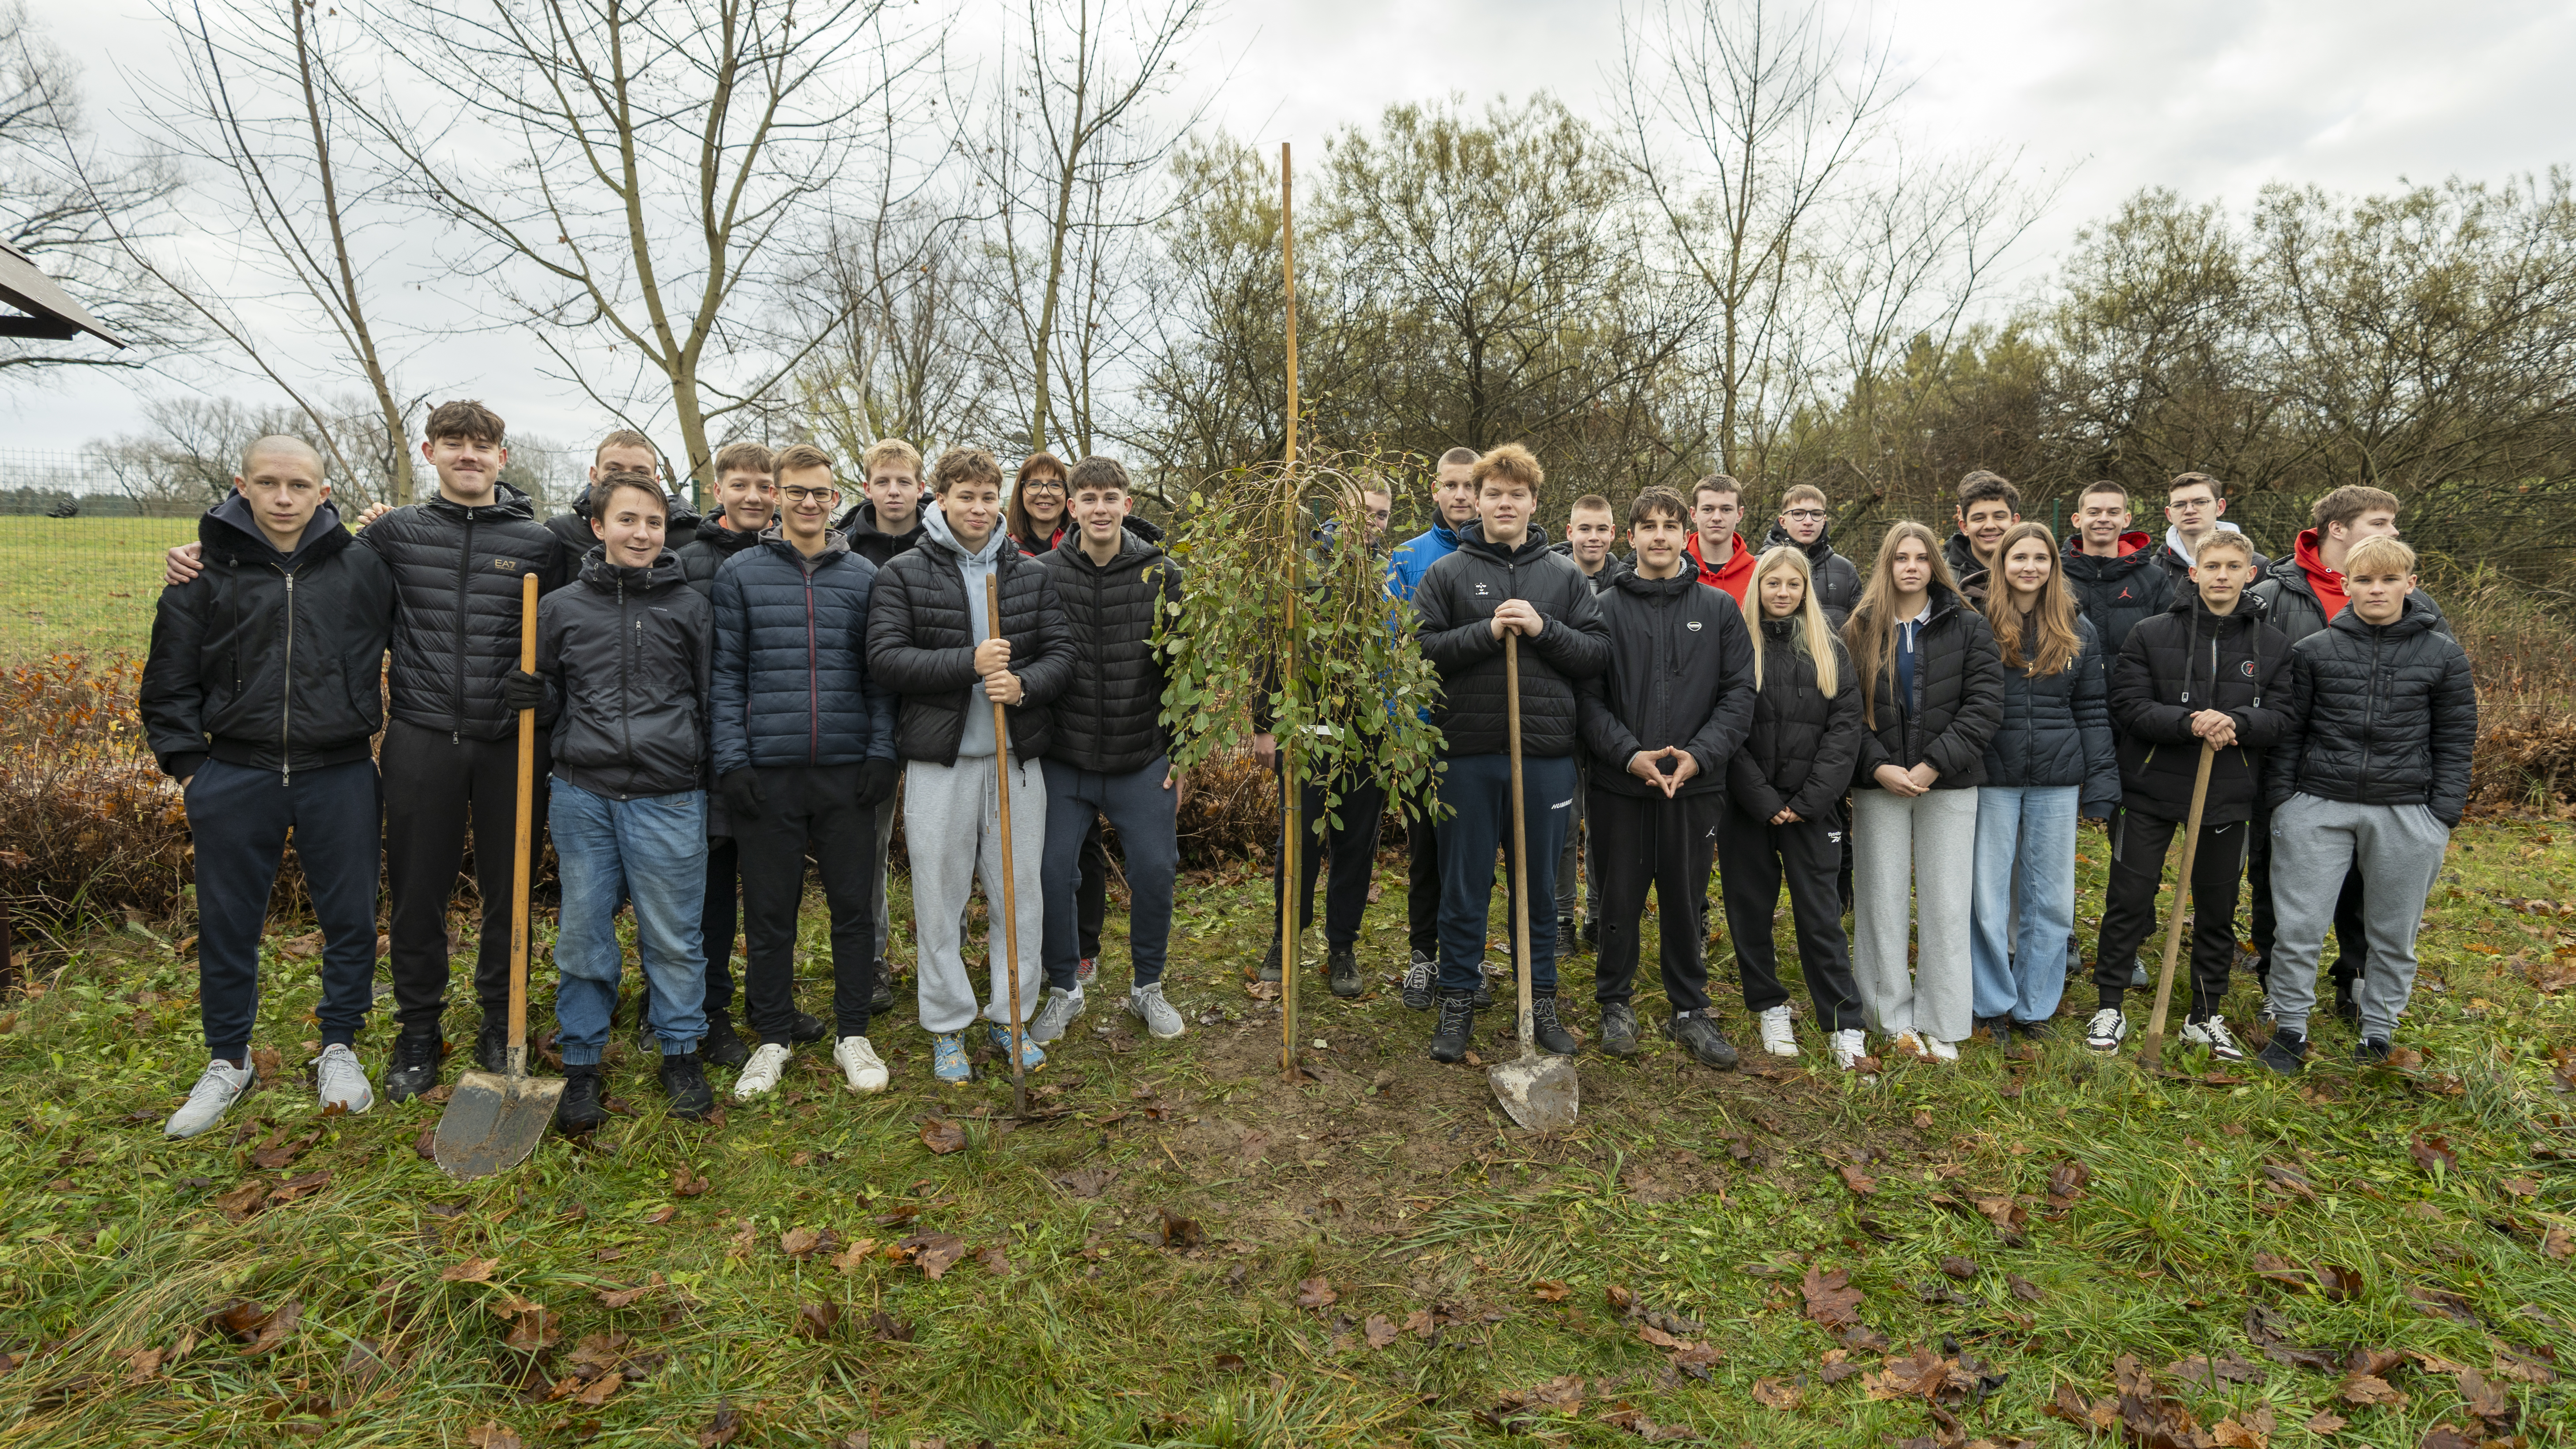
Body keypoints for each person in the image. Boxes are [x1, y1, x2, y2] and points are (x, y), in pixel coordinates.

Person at [165, 402, 570, 1100]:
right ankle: (419, 1031)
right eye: (454, 443)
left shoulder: (540, 544)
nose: (468, 455)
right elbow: (298, 555)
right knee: (418, 896)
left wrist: (551, 698)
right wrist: (204, 551)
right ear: (430, 451)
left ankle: (500, 1020)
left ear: (502, 457)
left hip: (511, 742)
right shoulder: (392, 535)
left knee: (511, 895)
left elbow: (570, 640)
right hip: (419, 737)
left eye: (483, 445)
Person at [142, 437, 396, 1137]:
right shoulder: (202, 573)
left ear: (324, 490)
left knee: (349, 919)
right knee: (228, 925)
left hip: (339, 770)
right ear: (241, 485)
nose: (285, 498)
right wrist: (192, 768)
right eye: (269, 483)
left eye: (299, 485)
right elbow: (168, 679)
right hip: (235, 772)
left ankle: (339, 1046)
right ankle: (229, 1059)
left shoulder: (364, 566)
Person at [868, 446, 1073, 1083]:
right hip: (941, 763)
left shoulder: (1032, 575)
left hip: (1014, 763)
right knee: (940, 897)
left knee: (1020, 897)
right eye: (966, 497)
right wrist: (970, 663)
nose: (979, 509)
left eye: (989, 497)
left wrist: (1025, 686)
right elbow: (885, 660)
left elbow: (1063, 654)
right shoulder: (904, 573)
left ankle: (1011, 1015)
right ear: (940, 498)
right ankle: (948, 1025)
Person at [709, 444, 900, 1100]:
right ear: (778, 497)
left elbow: (879, 679)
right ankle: (771, 1038)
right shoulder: (740, 575)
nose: (810, 503)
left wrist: (882, 752)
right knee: (769, 913)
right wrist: (732, 760)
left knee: (852, 908)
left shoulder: (864, 578)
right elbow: (726, 676)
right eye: (797, 492)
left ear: (835, 495)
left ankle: (853, 1032)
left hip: (848, 772)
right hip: (768, 773)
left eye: (821, 492)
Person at [1412, 443, 1612, 1063]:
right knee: (1464, 885)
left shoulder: (1565, 578)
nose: (1504, 503)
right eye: (1493, 493)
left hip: (1545, 755)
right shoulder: (1445, 574)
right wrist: (1488, 631)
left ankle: (1541, 998)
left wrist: (1543, 628)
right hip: (1467, 756)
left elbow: (1597, 653)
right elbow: (1419, 650)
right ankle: (1458, 997)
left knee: (1539, 892)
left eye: (1516, 494)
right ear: (1477, 499)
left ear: (1533, 501)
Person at [539, 467, 718, 1127]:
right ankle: (582, 1058)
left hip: (669, 793)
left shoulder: (690, 606)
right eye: (627, 519)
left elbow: (709, 698)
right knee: (584, 932)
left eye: (652, 521)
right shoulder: (559, 606)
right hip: (582, 791)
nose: (640, 532)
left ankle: (679, 1047)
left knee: (672, 934)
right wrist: (536, 697)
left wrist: (711, 779)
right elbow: (552, 693)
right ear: (599, 525)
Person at [2256, 537, 2475, 1073]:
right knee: (2299, 926)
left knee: (2392, 933)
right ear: (2346, 585)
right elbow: (2290, 734)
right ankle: (2289, 1027)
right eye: (2364, 580)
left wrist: (2439, 815)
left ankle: (2377, 1033)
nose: (2376, 590)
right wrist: (2286, 804)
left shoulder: (2443, 655)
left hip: (2405, 811)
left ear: (2410, 584)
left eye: (2388, 580)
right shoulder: (2313, 650)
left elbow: (2456, 737)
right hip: (2317, 807)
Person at [2084, 531, 2292, 1062]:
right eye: (2212, 566)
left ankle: (2205, 1014)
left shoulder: (2272, 645)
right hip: (2151, 788)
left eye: (2233, 566)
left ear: (2251, 574)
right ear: (2192, 573)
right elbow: (2127, 704)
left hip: (2227, 794)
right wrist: (2188, 720)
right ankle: (2111, 1003)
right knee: (2129, 897)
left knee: (2217, 906)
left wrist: (2237, 721)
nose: (2222, 575)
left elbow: (2284, 716)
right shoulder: (2150, 633)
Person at [2244, 485, 2448, 1022]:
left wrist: (2440, 807)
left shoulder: (2422, 611)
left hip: (2395, 788)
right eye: (2380, 522)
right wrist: (2282, 792)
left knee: (2371, 889)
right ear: (2339, 530)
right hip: (2301, 779)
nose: (2393, 532)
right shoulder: (2274, 592)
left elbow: (2448, 712)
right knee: (2278, 883)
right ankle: (2278, 984)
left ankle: (2356, 982)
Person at [1576, 486, 1755, 1065]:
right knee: (1617, 898)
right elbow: (1589, 700)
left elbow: (1738, 696)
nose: (1659, 535)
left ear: (1687, 535)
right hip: (1620, 784)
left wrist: (1698, 756)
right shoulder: (1601, 608)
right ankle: (1615, 1001)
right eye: (1647, 525)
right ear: (1630, 537)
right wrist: (1631, 754)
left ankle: (1690, 1009)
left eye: (1669, 525)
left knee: (1685, 897)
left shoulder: (1720, 610)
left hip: (1695, 786)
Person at [1029, 456, 1190, 1043]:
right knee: (1051, 872)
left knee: (1154, 870)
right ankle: (1065, 986)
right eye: (1088, 497)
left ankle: (1148, 985)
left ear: (1127, 503)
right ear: (1071, 507)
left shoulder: (1165, 574)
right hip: (1064, 758)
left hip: (1140, 754)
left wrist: (1183, 750)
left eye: (1111, 496)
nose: (1100, 507)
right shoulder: (1043, 573)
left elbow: (1185, 669)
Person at [1844, 520, 2004, 1062]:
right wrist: (1880, 767)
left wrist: (1935, 764)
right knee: (1880, 901)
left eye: (1920, 557)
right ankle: (1888, 1018)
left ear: (1935, 564)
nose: (1910, 566)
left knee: (1945, 902)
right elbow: (1844, 714)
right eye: (1900, 558)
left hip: (1950, 784)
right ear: (1886, 565)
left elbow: (1984, 705)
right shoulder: (1860, 628)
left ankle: (1942, 1018)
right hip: (1879, 784)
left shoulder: (1968, 626)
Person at [1968, 523, 2120, 1045]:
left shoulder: (2079, 628)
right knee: (1987, 897)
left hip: (2058, 780)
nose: (2029, 566)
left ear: (2054, 565)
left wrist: (2099, 786)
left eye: (2040, 557)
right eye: (2019, 557)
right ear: (2001, 564)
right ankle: (1989, 1003)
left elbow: (2094, 711)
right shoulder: (1977, 622)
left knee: (2050, 899)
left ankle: (2034, 1007)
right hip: (1991, 776)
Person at [1718, 544, 1866, 1068]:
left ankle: (1844, 1021)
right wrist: (1762, 799)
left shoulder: (1830, 648)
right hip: (1747, 808)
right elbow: (1726, 730)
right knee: (1750, 911)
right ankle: (1770, 1005)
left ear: (1806, 590)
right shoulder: (1736, 647)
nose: (1782, 593)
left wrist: (1810, 799)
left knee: (1820, 917)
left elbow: (1845, 729)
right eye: (1772, 583)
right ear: (1757, 588)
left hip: (1813, 809)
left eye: (1793, 584)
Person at [1254, 484, 1397, 997]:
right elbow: (1273, 645)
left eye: (1382, 516)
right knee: (1297, 843)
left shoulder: (1392, 575)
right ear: (1341, 512)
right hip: (1306, 730)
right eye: (1364, 513)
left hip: (1368, 736)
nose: (1372, 525)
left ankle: (1343, 947)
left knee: (1355, 845)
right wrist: (1264, 722)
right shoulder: (1303, 568)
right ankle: (1285, 935)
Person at [669, 440, 776, 1069]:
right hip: (703, 751)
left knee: (769, 887)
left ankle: (769, 1003)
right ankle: (706, 1011)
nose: (755, 495)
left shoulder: (793, 556)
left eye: (765, 484)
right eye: (742, 484)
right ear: (719, 490)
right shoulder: (687, 561)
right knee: (707, 892)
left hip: (774, 751)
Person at [837, 437, 932, 1014]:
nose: (894, 490)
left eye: (904, 481)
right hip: (862, 722)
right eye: (883, 480)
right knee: (866, 848)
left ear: (921, 487)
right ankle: (871, 958)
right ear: (867, 485)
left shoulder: (948, 543)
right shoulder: (843, 550)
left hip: (932, 718)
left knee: (941, 847)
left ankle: (947, 959)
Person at [1389, 447, 1485, 1010]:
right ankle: (1424, 957)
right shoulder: (1407, 558)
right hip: (1424, 737)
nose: (1461, 496)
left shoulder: (1500, 557)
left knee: (1473, 859)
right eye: (1450, 485)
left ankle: (1466, 958)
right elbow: (1391, 651)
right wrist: (1404, 733)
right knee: (1427, 853)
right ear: (1434, 490)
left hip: (1479, 732)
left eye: (1470, 486)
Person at [1551, 492, 1620, 951]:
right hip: (1556, 716)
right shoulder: (1548, 576)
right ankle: (1559, 917)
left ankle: (1599, 914)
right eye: (1584, 528)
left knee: (1606, 824)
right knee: (1562, 822)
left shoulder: (1628, 581)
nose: (1592, 537)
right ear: (1570, 531)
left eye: (1602, 529)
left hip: (1611, 716)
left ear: (1613, 534)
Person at [2059, 479, 2172, 661]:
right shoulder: (2054, 575)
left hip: (2131, 688)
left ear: (2126, 519)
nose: (2103, 519)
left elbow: (2166, 646)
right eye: (2094, 512)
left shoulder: (2153, 578)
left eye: (2113, 512)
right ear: (2077, 520)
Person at [544, 428, 701, 557]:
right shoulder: (562, 533)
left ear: (656, 482)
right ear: (594, 475)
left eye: (640, 472)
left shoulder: (686, 540)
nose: (626, 479)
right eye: (614, 470)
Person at [1758, 482, 1862, 629]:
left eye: (1816, 514)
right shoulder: (1758, 565)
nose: (1808, 522)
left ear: (1824, 521)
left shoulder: (1845, 570)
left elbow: (1861, 629)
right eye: (1799, 514)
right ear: (1783, 522)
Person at [2152, 472, 2266, 591]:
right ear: (2169, 514)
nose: (2190, 511)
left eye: (2201, 502)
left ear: (2220, 507)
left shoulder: (2258, 566)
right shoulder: (2152, 570)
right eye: (2179, 505)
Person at [1683, 474, 1756, 606]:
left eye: (1726, 510)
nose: (1717, 517)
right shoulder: (1675, 569)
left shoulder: (1757, 575)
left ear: (1739, 515)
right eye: (1708, 509)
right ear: (1694, 514)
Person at [1944, 471, 2020, 596]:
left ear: (2014, 522)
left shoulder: (2038, 575)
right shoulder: (1943, 582)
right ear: (1965, 527)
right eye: (1979, 518)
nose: (1990, 526)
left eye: (1999, 517)